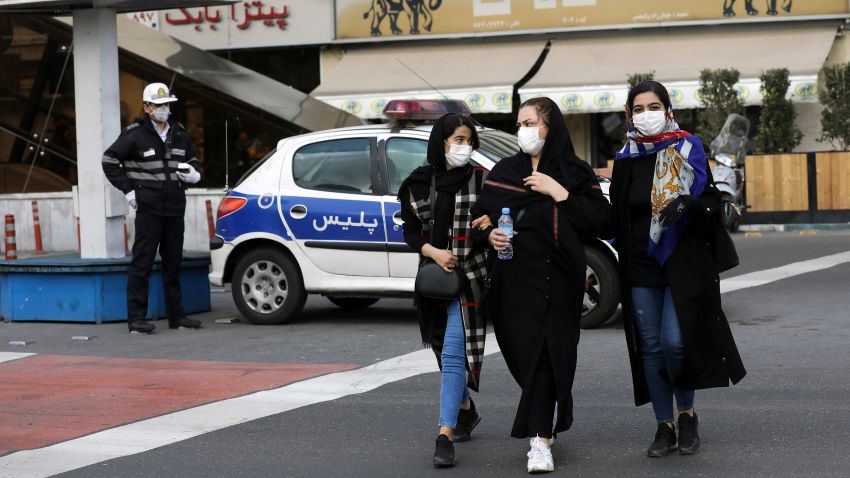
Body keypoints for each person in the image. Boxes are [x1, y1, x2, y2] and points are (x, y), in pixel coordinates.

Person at [606, 80, 746, 458]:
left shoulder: (688, 148)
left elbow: (712, 204)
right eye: (638, 109)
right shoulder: (626, 157)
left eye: (653, 106)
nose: (646, 114)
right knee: (650, 347)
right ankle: (664, 425)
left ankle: (687, 414)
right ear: (629, 115)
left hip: (682, 264)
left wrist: (689, 204)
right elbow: (614, 215)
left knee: (674, 341)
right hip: (639, 266)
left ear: (667, 110)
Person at [474, 97, 609, 473]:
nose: (523, 131)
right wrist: (491, 239)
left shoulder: (574, 172)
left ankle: (540, 440)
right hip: (514, 283)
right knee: (525, 358)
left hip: (560, 281)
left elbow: (599, 220)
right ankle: (543, 420)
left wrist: (557, 191)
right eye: (519, 124)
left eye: (530, 123)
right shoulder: (505, 170)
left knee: (550, 357)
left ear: (550, 127)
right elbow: (482, 217)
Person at [397, 113, 492, 468]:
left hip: (471, 280)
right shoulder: (419, 184)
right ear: (441, 142)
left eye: (468, 140)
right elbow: (409, 232)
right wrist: (433, 252)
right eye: (457, 140)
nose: (463, 147)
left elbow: (495, 224)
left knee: (453, 353)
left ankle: (444, 434)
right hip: (433, 280)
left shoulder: (484, 182)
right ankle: (465, 407)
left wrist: (490, 224)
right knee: (441, 350)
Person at [102, 82, 203, 334]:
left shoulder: (178, 132)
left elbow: (192, 160)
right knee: (142, 264)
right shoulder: (134, 134)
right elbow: (109, 160)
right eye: (158, 105)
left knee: (173, 264)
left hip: (175, 209)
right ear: (146, 107)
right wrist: (129, 190)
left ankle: (177, 317)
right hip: (149, 209)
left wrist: (194, 174)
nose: (163, 109)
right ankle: (136, 319)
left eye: (166, 105)